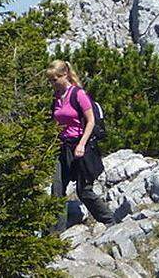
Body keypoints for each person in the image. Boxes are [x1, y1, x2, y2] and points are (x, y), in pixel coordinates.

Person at [47, 60, 113, 231]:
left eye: (55, 79)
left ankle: (109, 220)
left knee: (83, 191)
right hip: (63, 147)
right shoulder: (56, 98)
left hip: (81, 146)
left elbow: (91, 121)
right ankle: (56, 234)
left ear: (64, 75)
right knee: (57, 189)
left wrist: (82, 144)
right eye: (50, 80)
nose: (53, 83)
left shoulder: (78, 94)